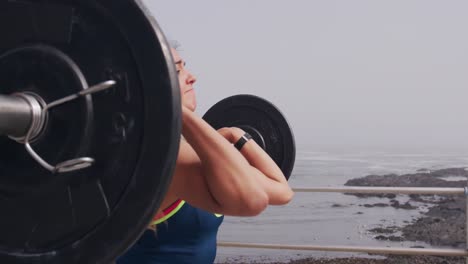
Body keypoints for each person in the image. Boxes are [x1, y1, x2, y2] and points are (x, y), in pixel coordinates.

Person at [116, 46, 294, 264]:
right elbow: (252, 201)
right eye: (178, 71)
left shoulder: (196, 156)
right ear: (155, 85)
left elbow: (282, 191)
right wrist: (172, 108)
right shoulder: (162, 158)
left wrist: (236, 135)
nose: (193, 78)